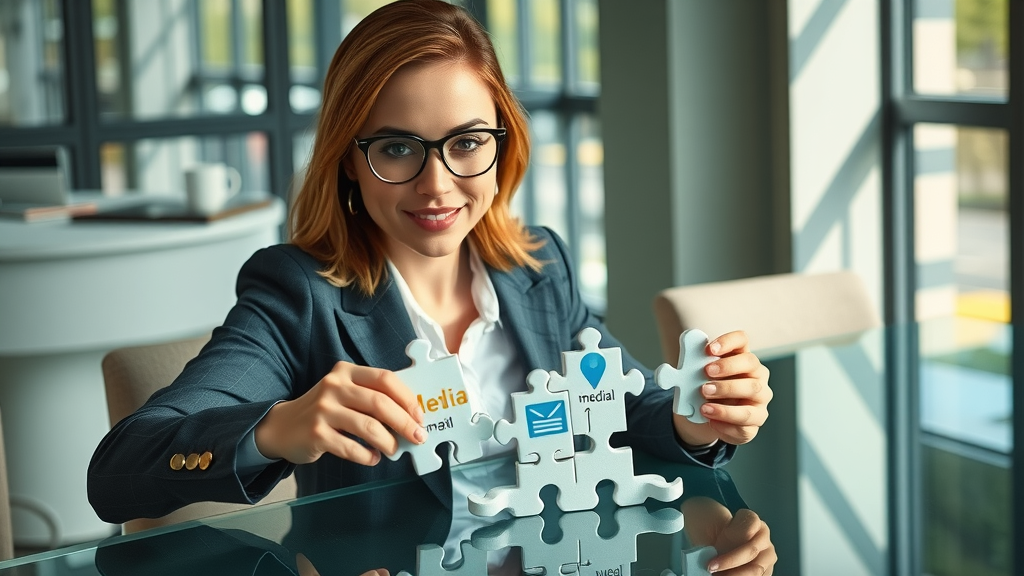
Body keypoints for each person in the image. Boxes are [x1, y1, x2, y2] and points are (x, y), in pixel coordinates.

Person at [88, 0, 771, 552]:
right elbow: (118, 472)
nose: (437, 185)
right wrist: (277, 428)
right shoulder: (299, 294)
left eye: (467, 142)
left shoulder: (540, 267)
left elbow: (625, 412)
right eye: (396, 148)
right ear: (347, 160)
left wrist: (695, 421)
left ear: (503, 144)